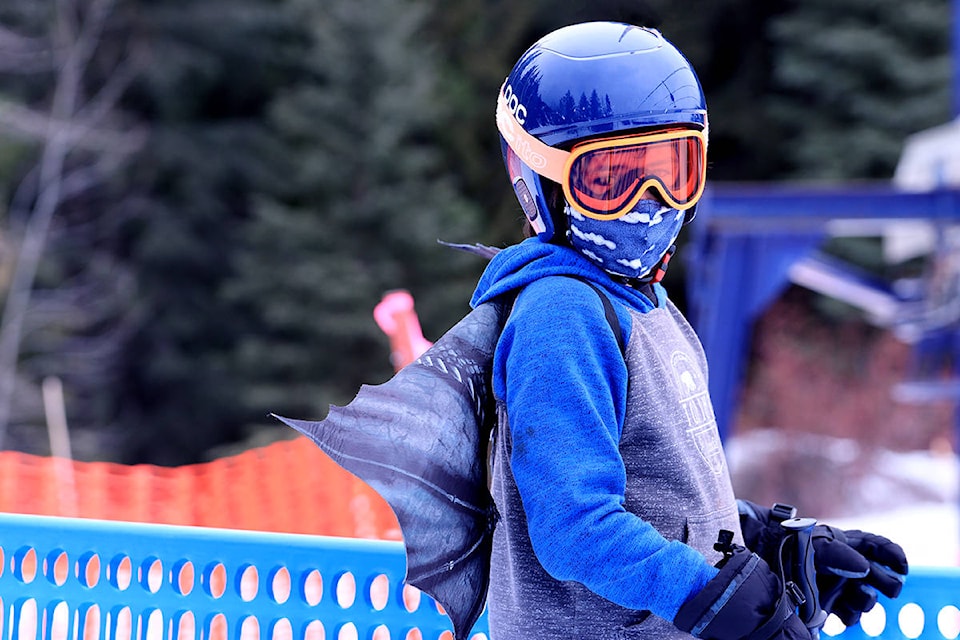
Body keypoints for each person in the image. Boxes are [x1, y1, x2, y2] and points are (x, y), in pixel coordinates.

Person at [470, 21, 908, 639]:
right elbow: (574, 526)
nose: (650, 202)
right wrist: (716, 598)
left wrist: (763, 538)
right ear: (540, 178)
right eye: (611, 180)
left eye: (672, 170)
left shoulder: (646, 305)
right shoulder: (561, 315)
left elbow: (659, 490)